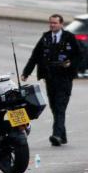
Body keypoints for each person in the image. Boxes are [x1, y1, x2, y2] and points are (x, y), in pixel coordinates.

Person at [21, 13, 83, 147]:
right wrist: (26, 72)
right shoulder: (46, 38)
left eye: (55, 23)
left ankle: (56, 135)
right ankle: (63, 136)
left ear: (61, 24)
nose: (52, 25)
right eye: (51, 23)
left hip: (64, 78)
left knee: (60, 106)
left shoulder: (69, 37)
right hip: (50, 78)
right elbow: (35, 56)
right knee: (55, 107)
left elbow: (79, 55)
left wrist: (70, 63)